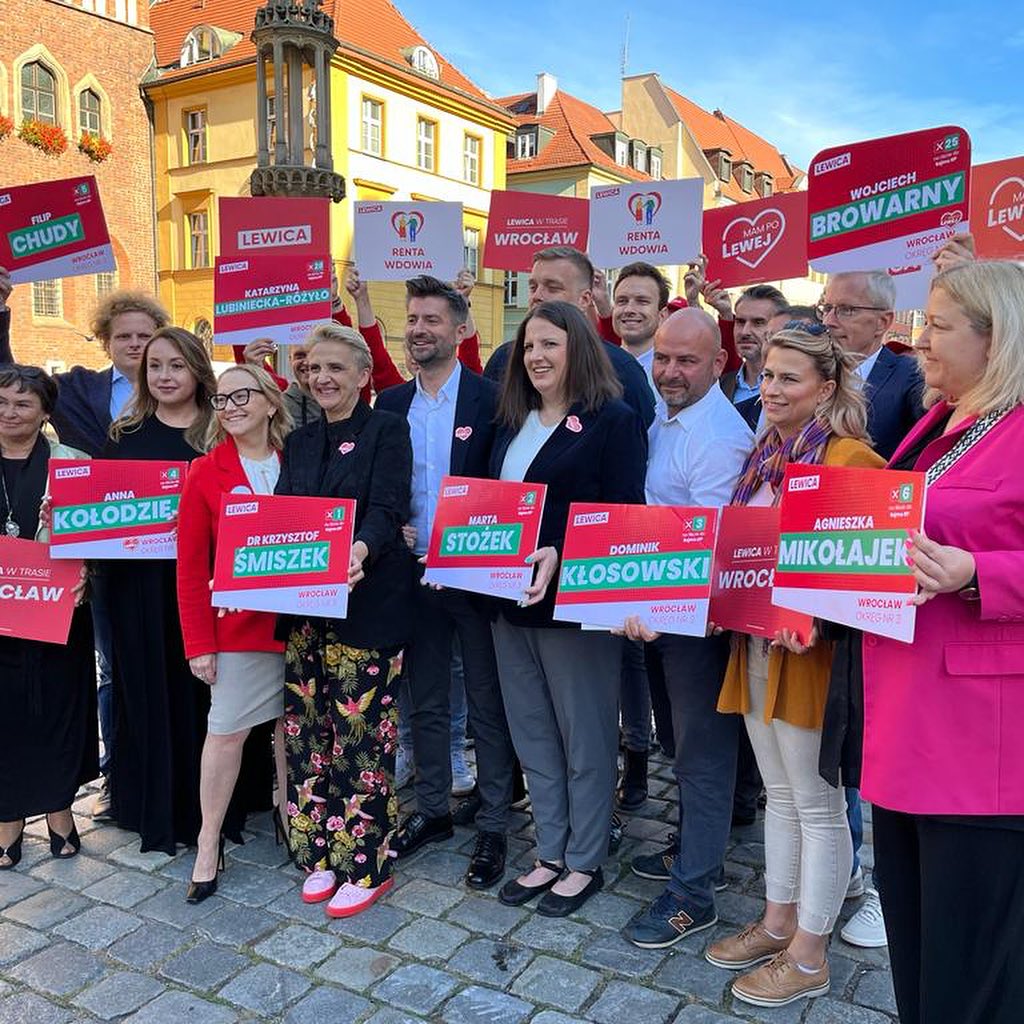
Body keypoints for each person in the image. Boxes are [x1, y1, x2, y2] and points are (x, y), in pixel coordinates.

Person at [861, 261, 1024, 1024]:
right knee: (919, 948)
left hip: (978, 744)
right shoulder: (944, 419)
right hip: (906, 720)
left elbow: (971, 556)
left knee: (973, 968)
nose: (920, 342)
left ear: (998, 338)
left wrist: (977, 573)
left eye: (941, 328)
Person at [707, 328, 884, 1007]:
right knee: (780, 796)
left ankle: (810, 952)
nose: (772, 388)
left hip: (812, 662)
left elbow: (868, 578)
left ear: (827, 388)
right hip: (753, 647)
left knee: (817, 802)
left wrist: (820, 622)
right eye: (768, 375)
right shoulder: (766, 455)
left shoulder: (851, 460)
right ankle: (778, 919)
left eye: (789, 378)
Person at [489, 300, 647, 916]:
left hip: (575, 609)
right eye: (529, 346)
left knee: (584, 738)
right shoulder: (512, 421)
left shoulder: (614, 420)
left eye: (550, 344)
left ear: (577, 348)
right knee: (534, 737)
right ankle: (548, 853)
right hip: (509, 603)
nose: (537, 357)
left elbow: (625, 518)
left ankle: (583, 861)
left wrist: (563, 548)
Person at [0, 276, 171, 821]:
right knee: (107, 668)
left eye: (146, 335)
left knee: (159, 662)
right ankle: (117, 781)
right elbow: (17, 382)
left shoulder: (177, 387)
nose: (135, 345)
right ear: (106, 339)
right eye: (124, 335)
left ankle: (161, 773)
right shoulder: (79, 389)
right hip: (92, 552)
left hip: (158, 547)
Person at [617, 309, 753, 949]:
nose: (669, 371)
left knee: (700, 753)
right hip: (655, 612)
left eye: (687, 361)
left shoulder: (720, 436)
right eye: (663, 358)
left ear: (719, 365)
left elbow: (703, 547)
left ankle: (694, 892)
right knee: (677, 739)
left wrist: (646, 599)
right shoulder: (660, 418)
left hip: (693, 619)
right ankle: (703, 853)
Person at [104, 328, 269, 855]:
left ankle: (221, 809)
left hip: (218, 591)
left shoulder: (222, 430)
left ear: (198, 370)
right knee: (151, 692)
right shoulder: (124, 434)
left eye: (176, 365)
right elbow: (99, 510)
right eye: (154, 367)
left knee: (212, 700)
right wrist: (62, 517)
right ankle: (156, 804)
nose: (164, 376)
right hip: (139, 588)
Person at [375, 276, 516, 890]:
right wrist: (393, 525)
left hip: (477, 574)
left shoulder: (493, 400)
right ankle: (432, 809)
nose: (419, 330)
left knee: (486, 701)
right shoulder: (390, 405)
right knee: (426, 697)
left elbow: (508, 487)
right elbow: (382, 489)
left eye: (433, 319)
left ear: (461, 330)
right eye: (412, 319)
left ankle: (492, 822)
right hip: (414, 577)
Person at [275, 321, 414, 918]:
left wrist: (360, 550)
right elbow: (279, 517)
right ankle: (320, 856)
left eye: (335, 367)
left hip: (367, 600)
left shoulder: (387, 429)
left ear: (362, 374)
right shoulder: (300, 441)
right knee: (308, 735)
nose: (322, 378)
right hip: (308, 610)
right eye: (313, 369)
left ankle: (367, 865)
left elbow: (388, 507)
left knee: (361, 738)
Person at [176, 364, 292, 902]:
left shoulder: (301, 459)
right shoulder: (204, 472)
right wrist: (199, 643)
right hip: (240, 629)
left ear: (270, 402)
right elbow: (190, 566)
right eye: (221, 400)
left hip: (305, 623)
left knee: (295, 734)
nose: (231, 407)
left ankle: (294, 822)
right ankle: (208, 840)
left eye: (242, 395)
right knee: (226, 733)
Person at [0, 366, 93, 869]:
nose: (9, 413)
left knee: (58, 712)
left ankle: (60, 812)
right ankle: (6, 818)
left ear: (44, 413)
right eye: (1, 402)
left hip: (59, 611)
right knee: (4, 718)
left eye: (22, 404)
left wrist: (88, 575)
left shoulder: (73, 462)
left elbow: (97, 541)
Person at [483, 247, 655, 429]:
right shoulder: (504, 359)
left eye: (552, 288)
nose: (537, 296)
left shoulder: (621, 368)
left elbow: (643, 441)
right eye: (533, 287)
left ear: (585, 299)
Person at [818, 271, 924, 460]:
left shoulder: (911, 377)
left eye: (846, 309)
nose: (829, 321)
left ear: (882, 322)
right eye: (827, 308)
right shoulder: (812, 371)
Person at [721, 285, 789, 407]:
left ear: (781, 327)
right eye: (740, 322)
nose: (745, 332)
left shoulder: (794, 389)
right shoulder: (720, 385)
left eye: (758, 322)